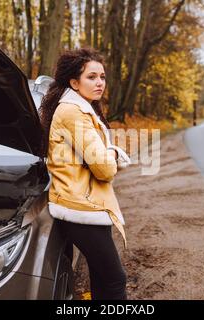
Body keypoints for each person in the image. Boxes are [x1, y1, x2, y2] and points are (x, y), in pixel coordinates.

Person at [39, 48, 131, 300]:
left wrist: (106, 153)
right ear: (74, 82)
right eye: (91, 77)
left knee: (102, 275)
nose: (99, 82)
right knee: (115, 278)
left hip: (84, 204)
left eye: (102, 76)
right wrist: (112, 154)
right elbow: (103, 168)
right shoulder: (73, 112)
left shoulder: (80, 109)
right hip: (79, 208)